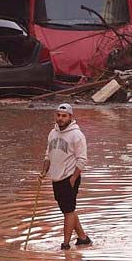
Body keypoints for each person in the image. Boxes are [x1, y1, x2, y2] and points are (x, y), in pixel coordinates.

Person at [39, 103, 91, 251]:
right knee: (68, 210)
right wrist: (44, 172)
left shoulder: (77, 135)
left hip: (69, 177)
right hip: (56, 177)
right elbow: (48, 155)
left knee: (68, 211)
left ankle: (65, 245)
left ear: (70, 117)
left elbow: (82, 159)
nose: (60, 119)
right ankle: (83, 238)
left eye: (64, 116)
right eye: (58, 115)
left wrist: (73, 178)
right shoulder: (52, 133)